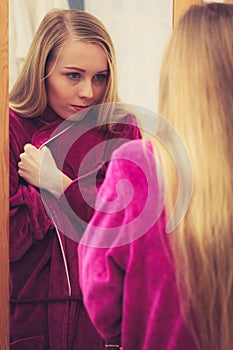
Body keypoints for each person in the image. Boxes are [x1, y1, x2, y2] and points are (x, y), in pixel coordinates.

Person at [78, 3, 233, 350]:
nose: (87, 91)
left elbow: (99, 289)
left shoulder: (136, 165)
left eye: (98, 77)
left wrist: (129, 328)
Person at [9, 8, 141, 350]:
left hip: (102, 325)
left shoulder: (121, 128)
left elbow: (130, 231)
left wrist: (58, 185)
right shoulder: (10, 125)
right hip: (27, 318)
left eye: (100, 77)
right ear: (42, 70)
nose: (89, 92)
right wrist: (85, 197)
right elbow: (9, 236)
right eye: (73, 76)